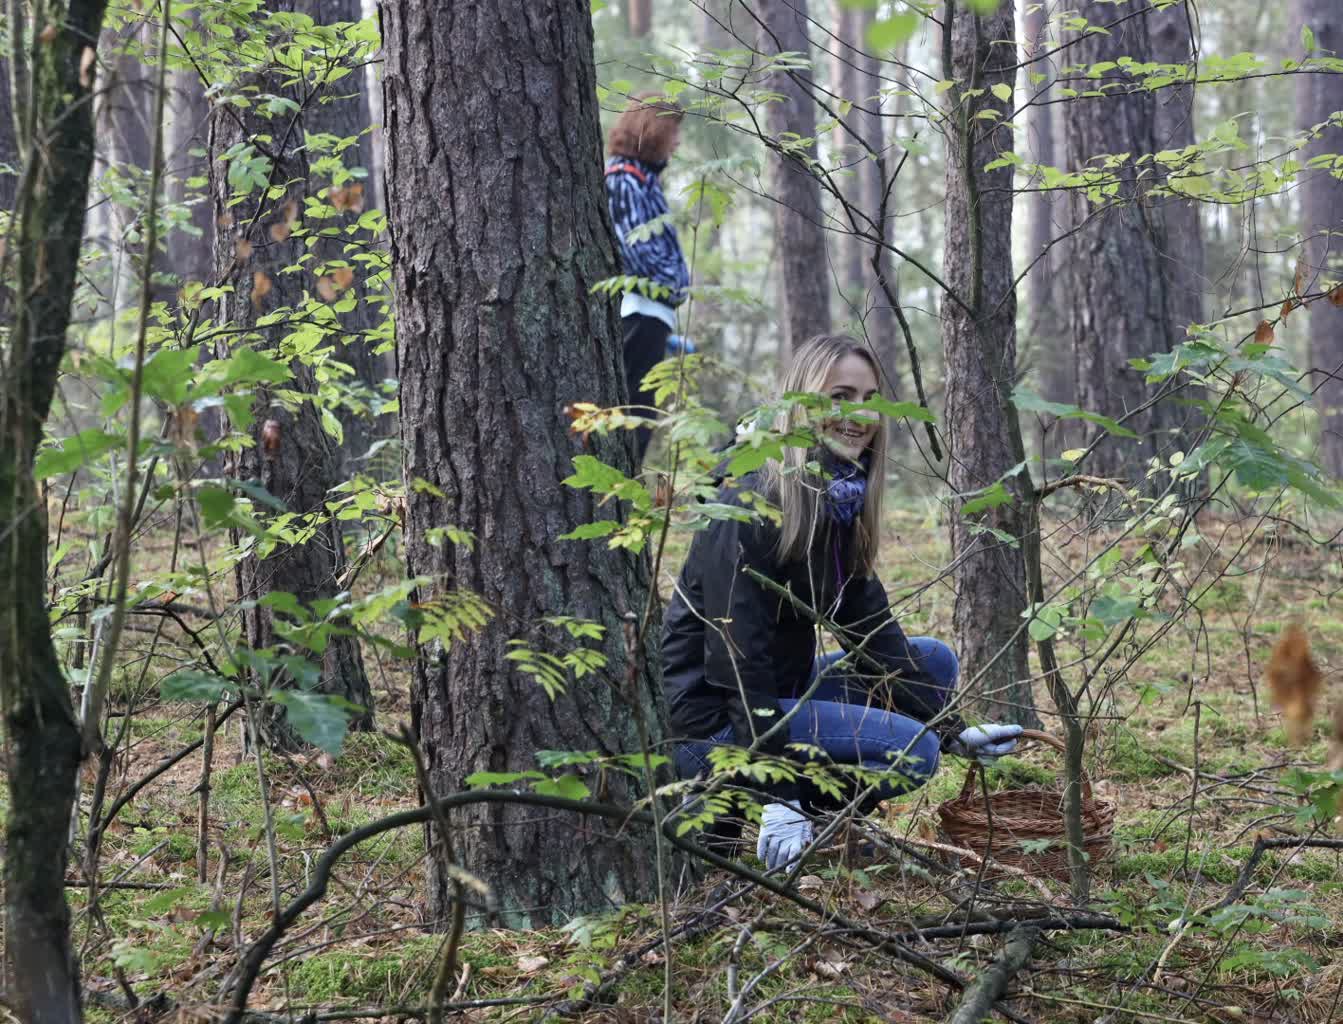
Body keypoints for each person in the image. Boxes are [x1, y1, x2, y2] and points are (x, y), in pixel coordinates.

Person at [661, 334, 1022, 871]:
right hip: (714, 723)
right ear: (799, 403)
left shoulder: (835, 500)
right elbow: (737, 664)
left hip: (779, 692)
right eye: (839, 396)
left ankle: (811, 815)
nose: (858, 415)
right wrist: (777, 793)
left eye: (870, 398)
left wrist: (954, 730)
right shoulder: (750, 499)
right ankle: (769, 809)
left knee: (933, 662)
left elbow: (873, 629)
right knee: (912, 753)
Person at [604, 95, 691, 463]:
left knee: (643, 416)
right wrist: (677, 284)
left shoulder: (644, 182)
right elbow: (634, 250)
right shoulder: (624, 179)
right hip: (638, 313)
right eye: (673, 130)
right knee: (634, 416)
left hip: (653, 314)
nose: (677, 141)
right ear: (652, 130)